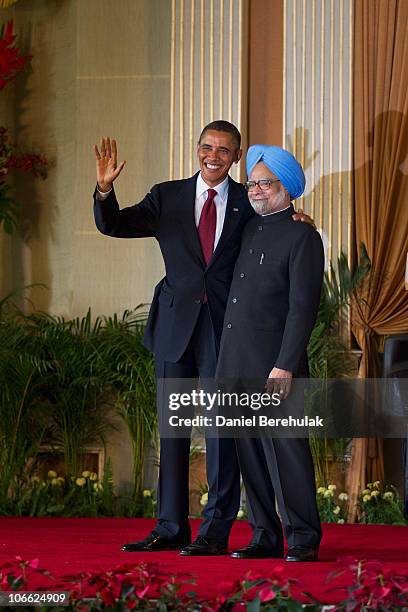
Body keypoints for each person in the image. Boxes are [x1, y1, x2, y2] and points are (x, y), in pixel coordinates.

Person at [93, 123, 315, 556]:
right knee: (172, 431)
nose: (213, 155)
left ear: (234, 158)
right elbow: (115, 225)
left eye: (224, 150)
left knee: (223, 434)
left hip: (225, 333)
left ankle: (215, 531)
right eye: (207, 147)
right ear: (197, 149)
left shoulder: (248, 202)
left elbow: (280, 222)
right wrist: (104, 192)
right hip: (174, 328)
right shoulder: (167, 195)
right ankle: (170, 526)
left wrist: (301, 216)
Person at [215, 145, 324, 562]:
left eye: (266, 183)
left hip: (277, 367)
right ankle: (264, 535)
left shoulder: (303, 235)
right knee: (251, 456)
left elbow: (303, 309)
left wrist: (286, 364)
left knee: (287, 454)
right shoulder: (248, 228)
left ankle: (302, 538)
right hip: (236, 362)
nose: (256, 190)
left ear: (287, 188)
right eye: (253, 182)